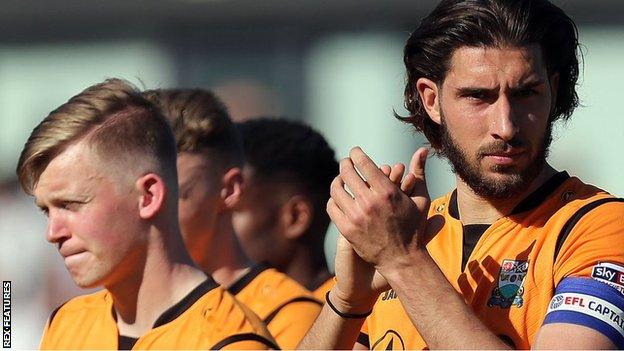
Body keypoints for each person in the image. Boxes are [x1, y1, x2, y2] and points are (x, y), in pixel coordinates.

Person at [299, 0, 624, 349]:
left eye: (525, 93)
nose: (506, 126)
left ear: (554, 91)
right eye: (478, 96)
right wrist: (348, 303)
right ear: (431, 100)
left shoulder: (600, 227)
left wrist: (403, 262)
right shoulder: (413, 234)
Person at [17, 79, 277, 350]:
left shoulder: (230, 342)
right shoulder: (66, 324)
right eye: (46, 210)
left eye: (71, 204)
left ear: (149, 196)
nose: (52, 233)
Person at [143, 89, 323, 349]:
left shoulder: (291, 315)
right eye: (143, 195)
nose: (150, 211)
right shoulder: (95, 312)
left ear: (229, 190)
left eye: (175, 195)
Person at [234, 117, 338, 300]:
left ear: (296, 217)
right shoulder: (224, 315)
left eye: (232, 212)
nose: (213, 226)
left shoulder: (361, 319)